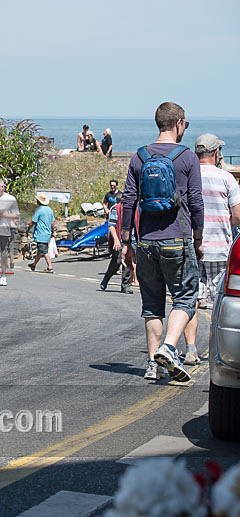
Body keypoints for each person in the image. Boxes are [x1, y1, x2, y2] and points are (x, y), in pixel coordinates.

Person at [121, 102, 204, 382]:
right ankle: (169, 347)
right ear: (179, 123)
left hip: (146, 241)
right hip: (177, 239)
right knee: (185, 298)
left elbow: (128, 201)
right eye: (185, 124)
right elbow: (196, 201)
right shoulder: (187, 157)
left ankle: (152, 365)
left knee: (152, 305)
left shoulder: (139, 157)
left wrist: (126, 241)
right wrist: (198, 237)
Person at [182, 133, 240, 365]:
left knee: (190, 300)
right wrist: (225, 223)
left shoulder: (188, 177)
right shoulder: (226, 178)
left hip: (191, 248)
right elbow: (238, 215)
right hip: (219, 249)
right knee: (219, 303)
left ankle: (190, 349)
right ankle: (218, 351)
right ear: (216, 153)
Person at [100, 194, 133, 293]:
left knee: (127, 262)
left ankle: (125, 285)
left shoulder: (133, 209)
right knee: (116, 262)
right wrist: (116, 240)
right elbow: (111, 226)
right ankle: (106, 278)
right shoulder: (116, 209)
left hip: (130, 240)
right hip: (119, 240)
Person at [27, 194, 55, 273]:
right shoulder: (50, 210)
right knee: (41, 250)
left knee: (44, 251)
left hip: (41, 234)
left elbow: (33, 222)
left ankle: (50, 266)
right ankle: (33, 264)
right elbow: (52, 223)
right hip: (47, 233)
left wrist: (28, 229)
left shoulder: (39, 210)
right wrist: (52, 231)